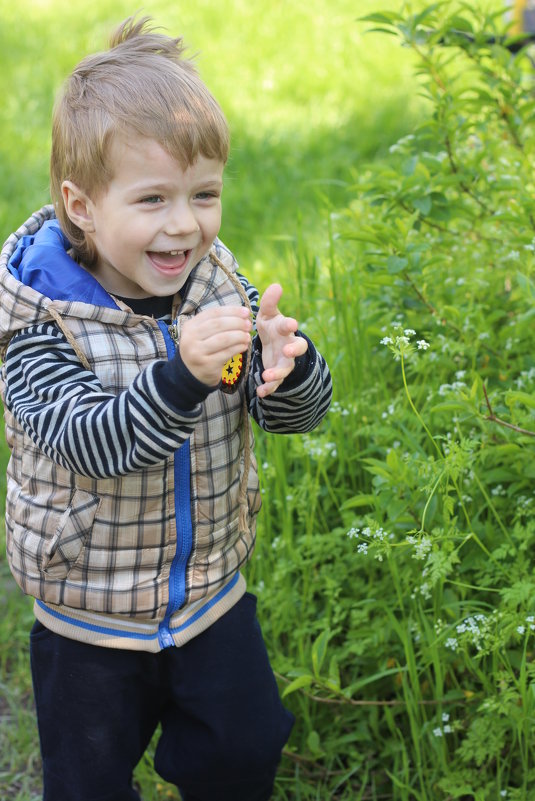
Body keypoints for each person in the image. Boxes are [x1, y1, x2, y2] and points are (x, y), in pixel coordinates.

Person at [0, 15, 332, 801]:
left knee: (245, 748)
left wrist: (291, 370)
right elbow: (94, 443)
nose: (184, 223)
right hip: (90, 616)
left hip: (212, 592)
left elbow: (291, 417)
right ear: (82, 204)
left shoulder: (216, 285)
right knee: (88, 783)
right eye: (152, 199)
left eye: (203, 194)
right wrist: (183, 374)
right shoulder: (38, 325)